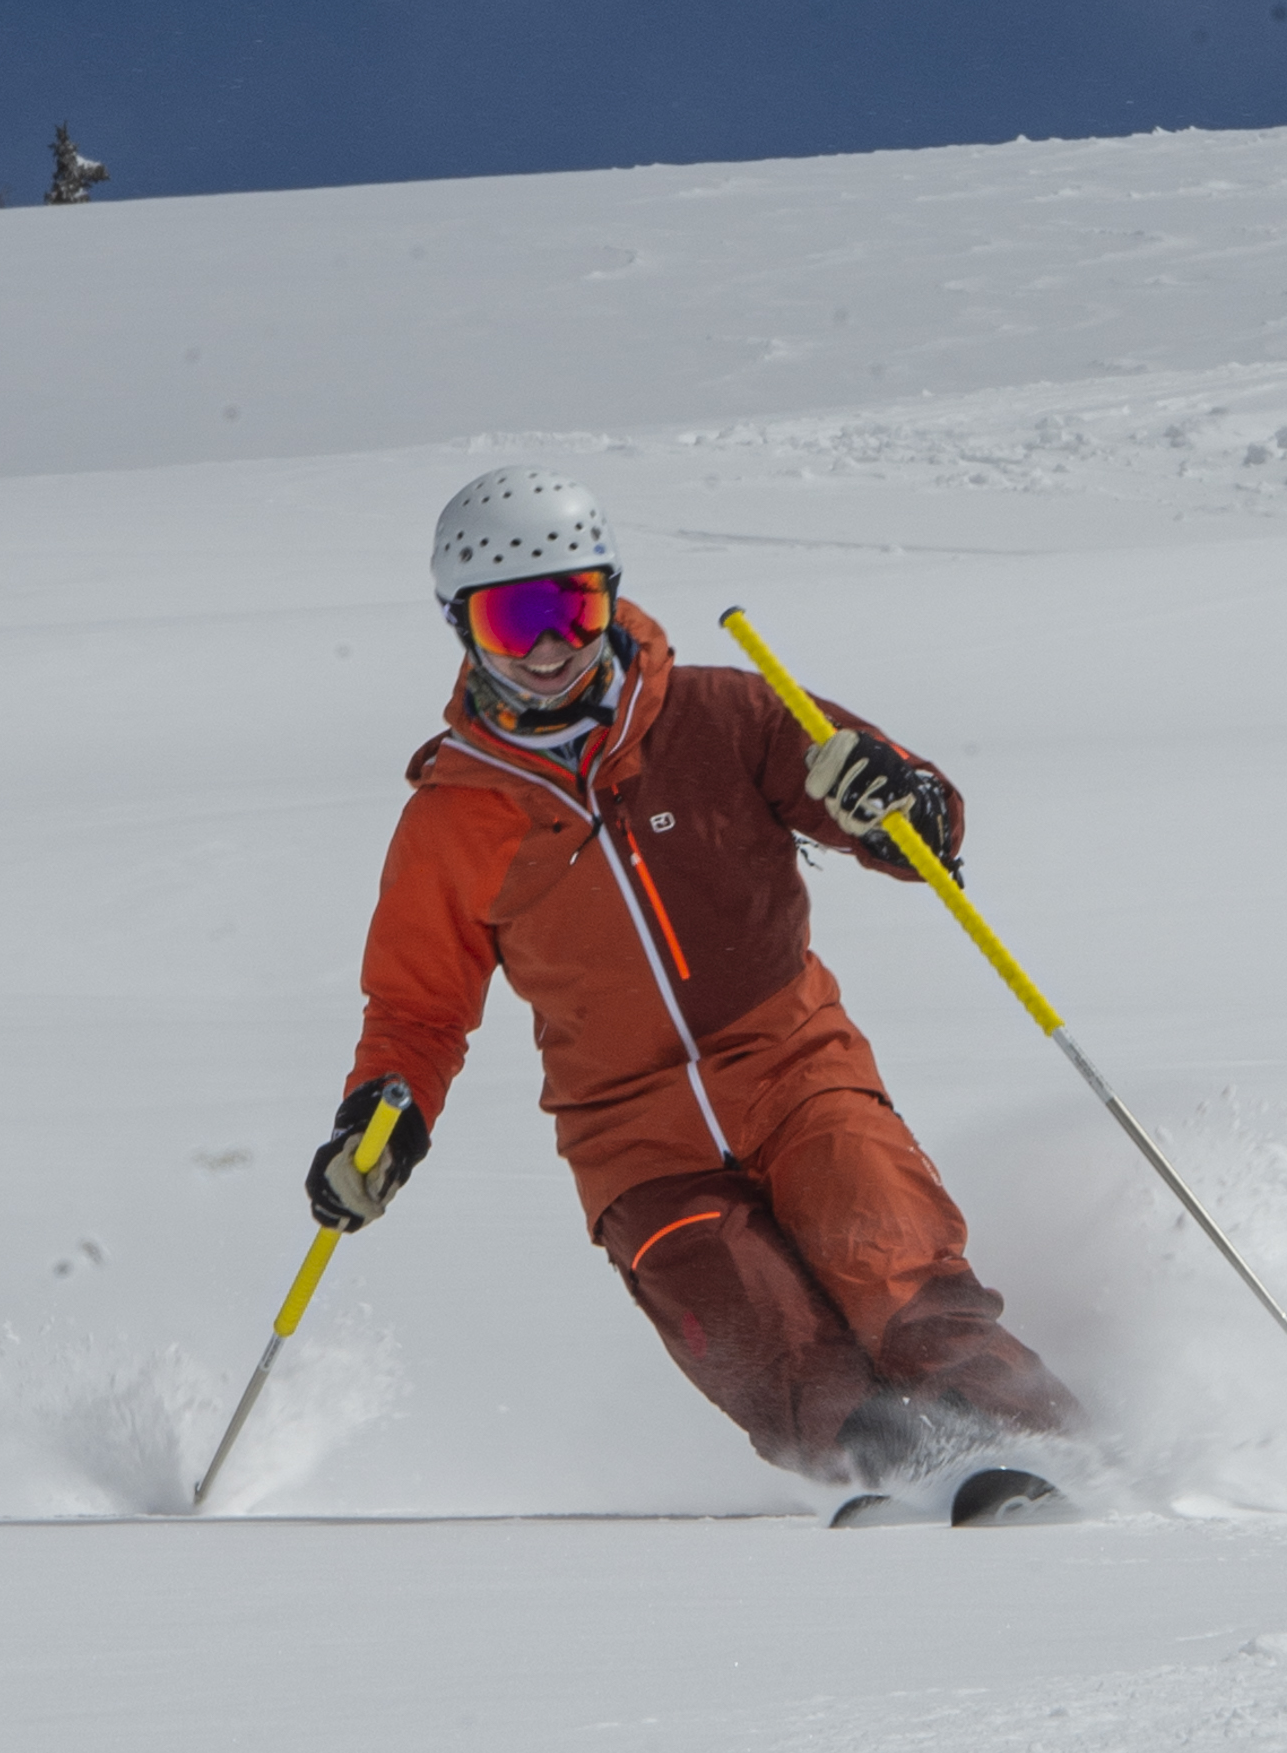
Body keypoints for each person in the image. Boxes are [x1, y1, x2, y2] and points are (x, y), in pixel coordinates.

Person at [302, 467, 1080, 1490]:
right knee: (769, 1338)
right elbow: (418, 1005)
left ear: (611, 598)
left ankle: (1060, 1460)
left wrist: (895, 804)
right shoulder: (454, 816)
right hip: (634, 1142)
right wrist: (386, 1107)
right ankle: (895, 1482)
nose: (548, 649)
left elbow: (904, 819)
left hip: (796, 1071)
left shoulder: (723, 714)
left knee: (890, 1265)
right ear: (463, 629)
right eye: (512, 619)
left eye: (574, 608)